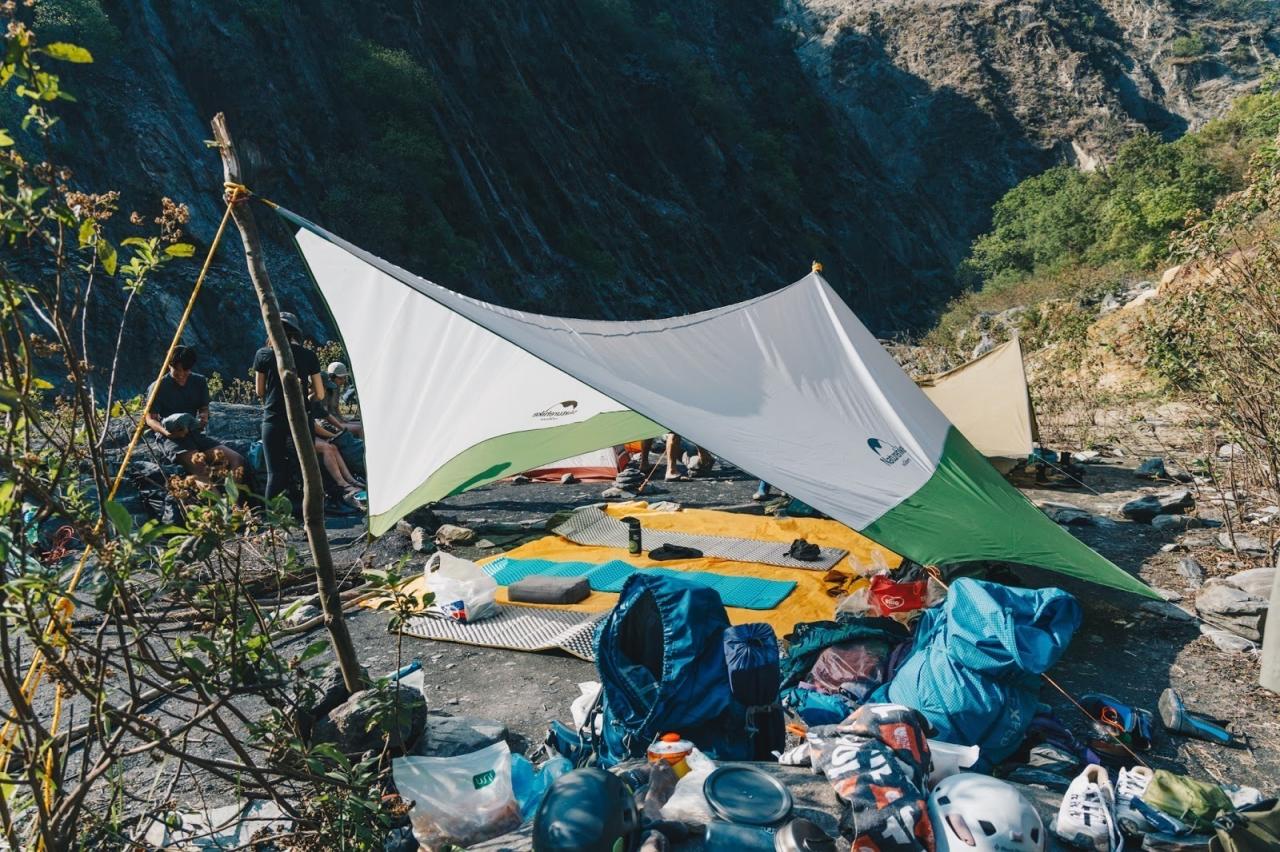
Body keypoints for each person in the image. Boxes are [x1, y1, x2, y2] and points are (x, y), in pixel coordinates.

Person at [144, 345, 244, 483]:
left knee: (237, 460)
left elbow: (203, 406)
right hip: (171, 438)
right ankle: (220, 504)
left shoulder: (199, 381)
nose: (181, 376)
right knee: (201, 469)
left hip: (194, 433)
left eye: (185, 371)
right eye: (176, 371)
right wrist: (167, 433)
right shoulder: (158, 386)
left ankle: (234, 501)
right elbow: (150, 419)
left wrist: (203, 416)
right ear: (168, 365)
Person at [253, 312, 325, 503]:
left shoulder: (263, 354)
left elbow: (259, 391)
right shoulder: (308, 356)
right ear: (296, 332)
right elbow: (320, 394)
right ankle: (309, 517)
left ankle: (273, 524)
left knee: (274, 473)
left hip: (273, 417)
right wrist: (306, 396)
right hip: (301, 417)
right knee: (307, 471)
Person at [311, 397, 366, 512]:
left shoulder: (315, 400)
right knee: (328, 448)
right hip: (301, 434)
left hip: (314, 431)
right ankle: (343, 484)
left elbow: (327, 415)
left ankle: (350, 480)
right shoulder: (303, 399)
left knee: (333, 447)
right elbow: (314, 426)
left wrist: (343, 429)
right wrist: (332, 435)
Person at [638, 433, 714, 482]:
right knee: (674, 431)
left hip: (670, 439)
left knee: (653, 426)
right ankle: (671, 471)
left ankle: (644, 464)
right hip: (683, 443)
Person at [320, 361, 363, 439]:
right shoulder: (324, 390)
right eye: (340, 378)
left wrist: (343, 419)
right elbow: (324, 415)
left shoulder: (337, 387)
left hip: (337, 420)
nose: (343, 381)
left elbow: (335, 407)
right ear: (331, 377)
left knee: (363, 423)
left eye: (344, 378)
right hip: (329, 424)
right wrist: (339, 423)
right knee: (360, 428)